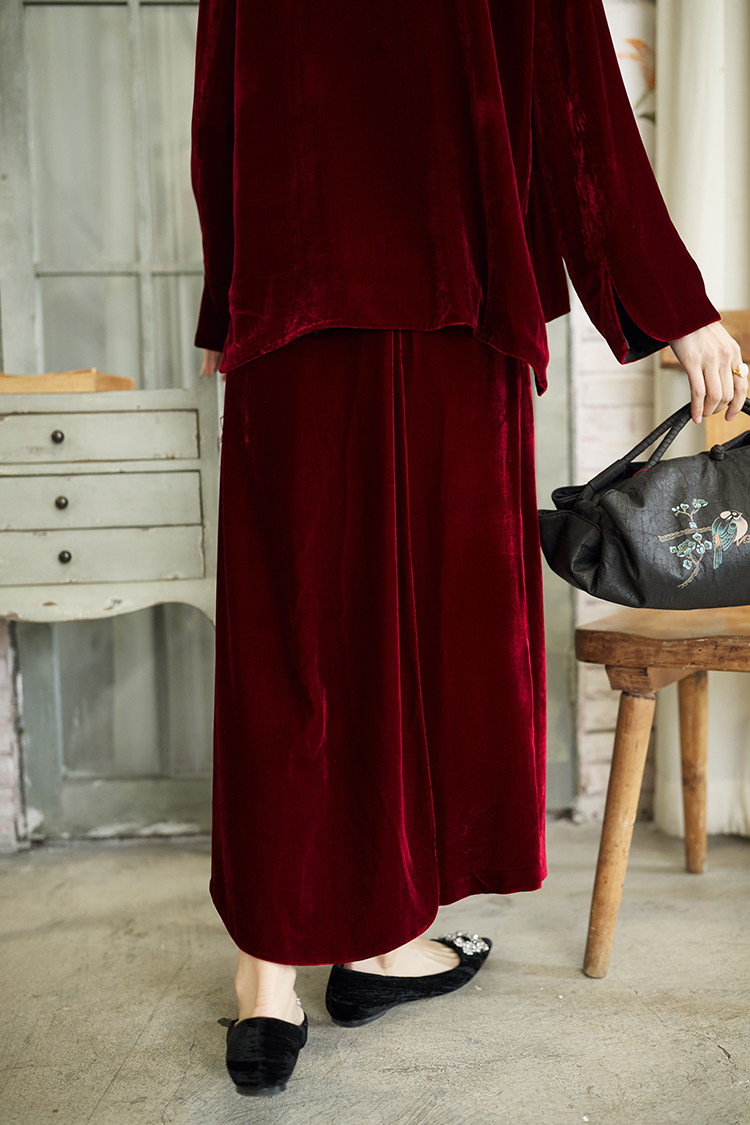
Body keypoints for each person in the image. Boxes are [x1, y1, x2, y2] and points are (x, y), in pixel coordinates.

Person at [191, 0, 747, 1096]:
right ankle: (381, 943)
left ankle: (270, 984)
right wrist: (677, 310)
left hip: (293, 301)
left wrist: (227, 307)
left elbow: (222, 104)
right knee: (434, 630)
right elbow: (578, 106)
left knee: (293, 644)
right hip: (458, 299)